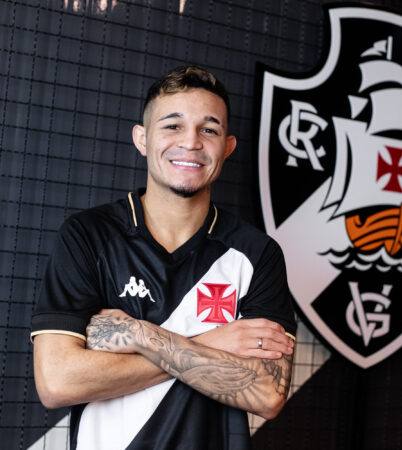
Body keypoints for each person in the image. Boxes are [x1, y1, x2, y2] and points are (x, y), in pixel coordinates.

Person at [31, 66, 297, 450]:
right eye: (173, 126)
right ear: (142, 139)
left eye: (209, 130)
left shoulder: (257, 253)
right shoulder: (89, 235)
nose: (191, 142)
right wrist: (212, 342)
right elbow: (58, 382)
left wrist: (139, 335)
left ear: (227, 147)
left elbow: (267, 393)